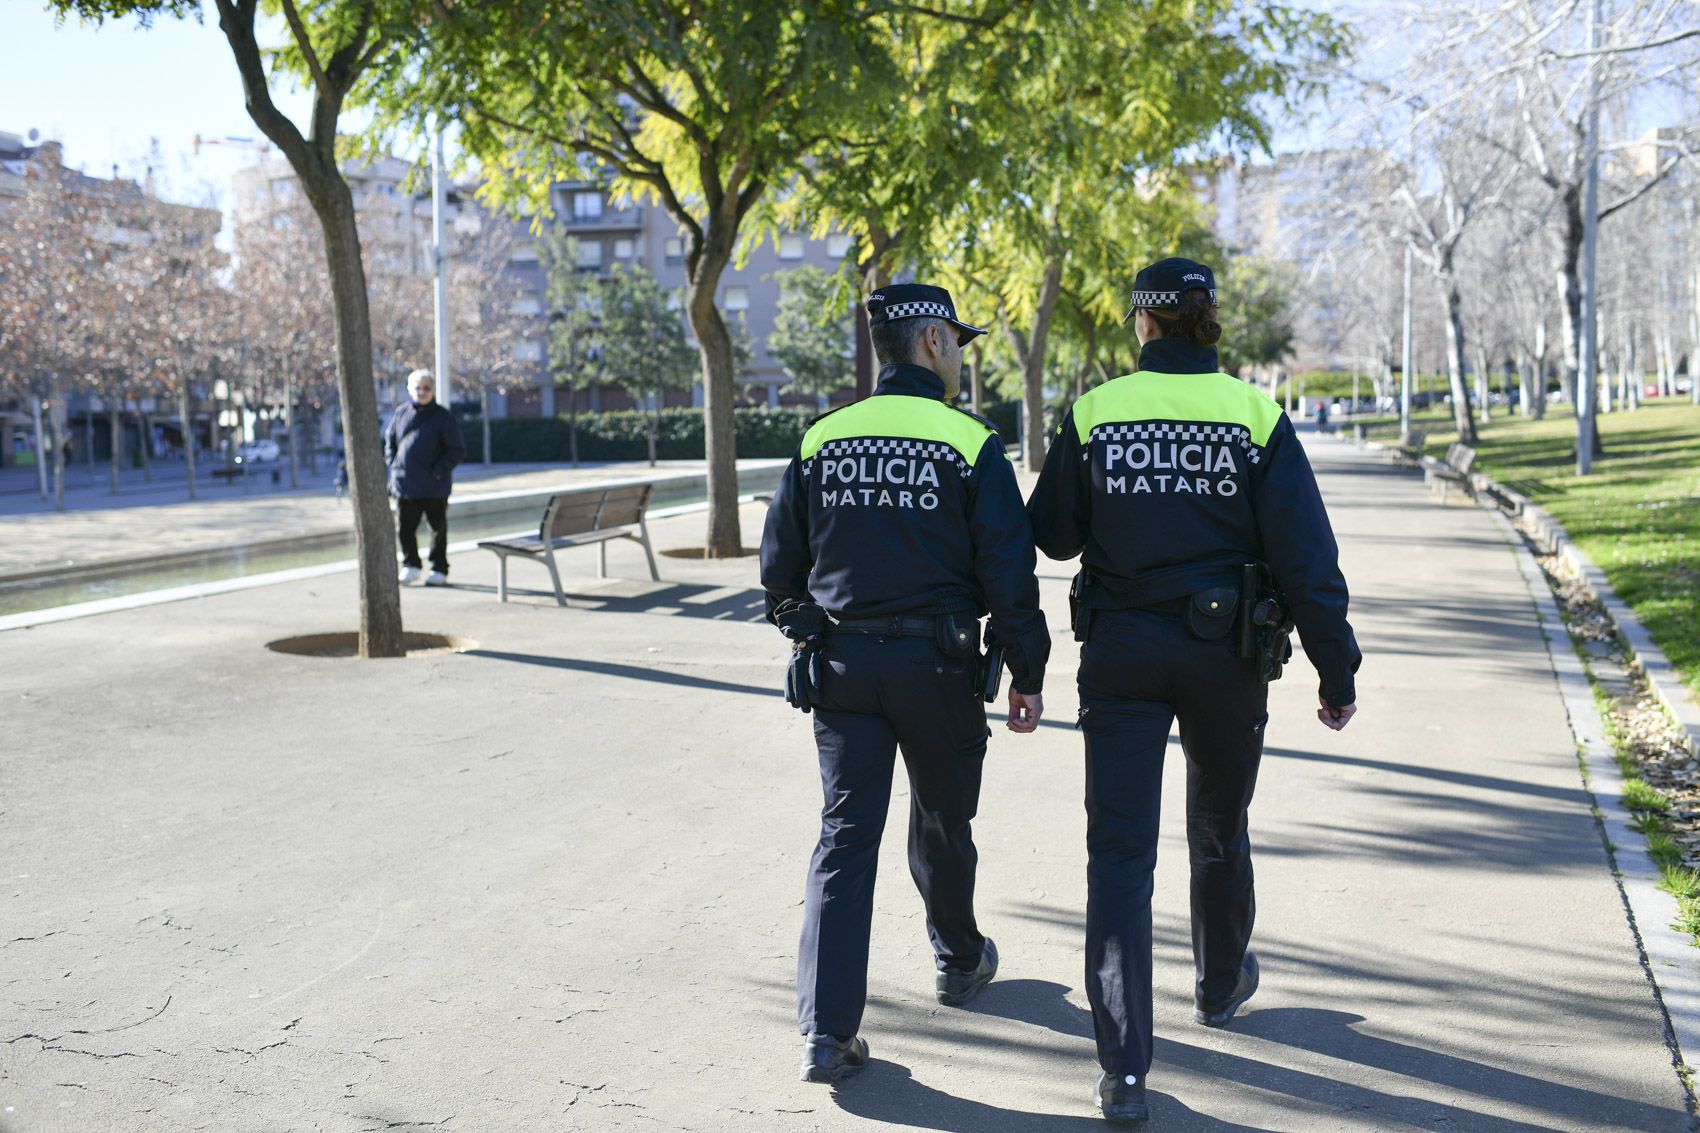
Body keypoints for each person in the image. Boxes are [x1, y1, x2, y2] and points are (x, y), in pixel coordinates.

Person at [1027, 258, 1361, 1124]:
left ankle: (1125, 1069)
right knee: (1219, 824)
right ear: (1207, 319)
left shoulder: (1098, 411)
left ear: (1143, 324)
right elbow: (1306, 558)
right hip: (1227, 654)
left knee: (1120, 853)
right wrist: (1337, 668)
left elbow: (1055, 537)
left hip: (1123, 654)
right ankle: (1217, 986)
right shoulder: (1256, 413)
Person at [760, 283, 1051, 1085]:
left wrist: (807, 626)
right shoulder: (967, 441)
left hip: (844, 670)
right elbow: (1008, 571)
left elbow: (779, 567)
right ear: (931, 342)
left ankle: (826, 1033)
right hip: (939, 670)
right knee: (944, 822)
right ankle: (958, 958)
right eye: (956, 340)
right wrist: (1027, 668)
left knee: (844, 840)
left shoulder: (824, 436)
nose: (960, 354)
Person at [384, 369, 465, 586]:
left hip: (434, 487)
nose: (422, 392)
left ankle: (439, 568)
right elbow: (390, 441)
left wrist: (437, 472)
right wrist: (394, 466)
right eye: (418, 388)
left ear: (433, 390)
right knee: (405, 529)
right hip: (405, 486)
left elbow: (456, 450)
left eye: (426, 387)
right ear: (411, 390)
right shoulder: (401, 413)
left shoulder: (444, 417)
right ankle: (411, 565)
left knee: (437, 530)